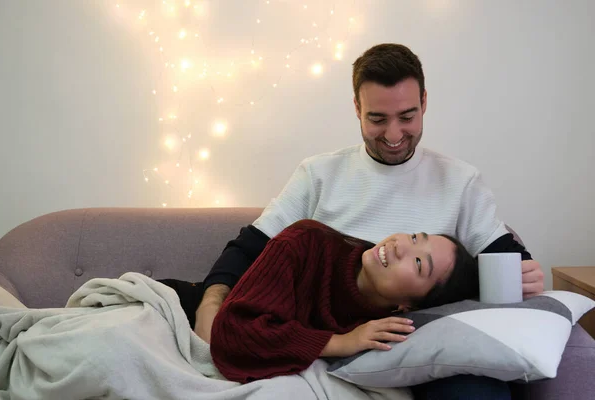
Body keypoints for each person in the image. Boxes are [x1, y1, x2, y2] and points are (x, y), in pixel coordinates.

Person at [194, 43, 544, 398]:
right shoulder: (318, 174)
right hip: (322, 342)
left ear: (424, 102)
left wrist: (525, 271)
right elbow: (251, 247)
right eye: (377, 119)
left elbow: (504, 257)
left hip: (411, 348)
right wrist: (210, 302)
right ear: (357, 108)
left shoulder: (460, 181)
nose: (393, 135)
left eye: (407, 117)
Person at [161, 219, 480, 383]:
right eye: (414, 237)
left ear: (410, 306)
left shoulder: (388, 327)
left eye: (419, 264)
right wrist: (341, 342)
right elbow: (232, 332)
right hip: (180, 305)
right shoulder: (306, 241)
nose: (399, 246)